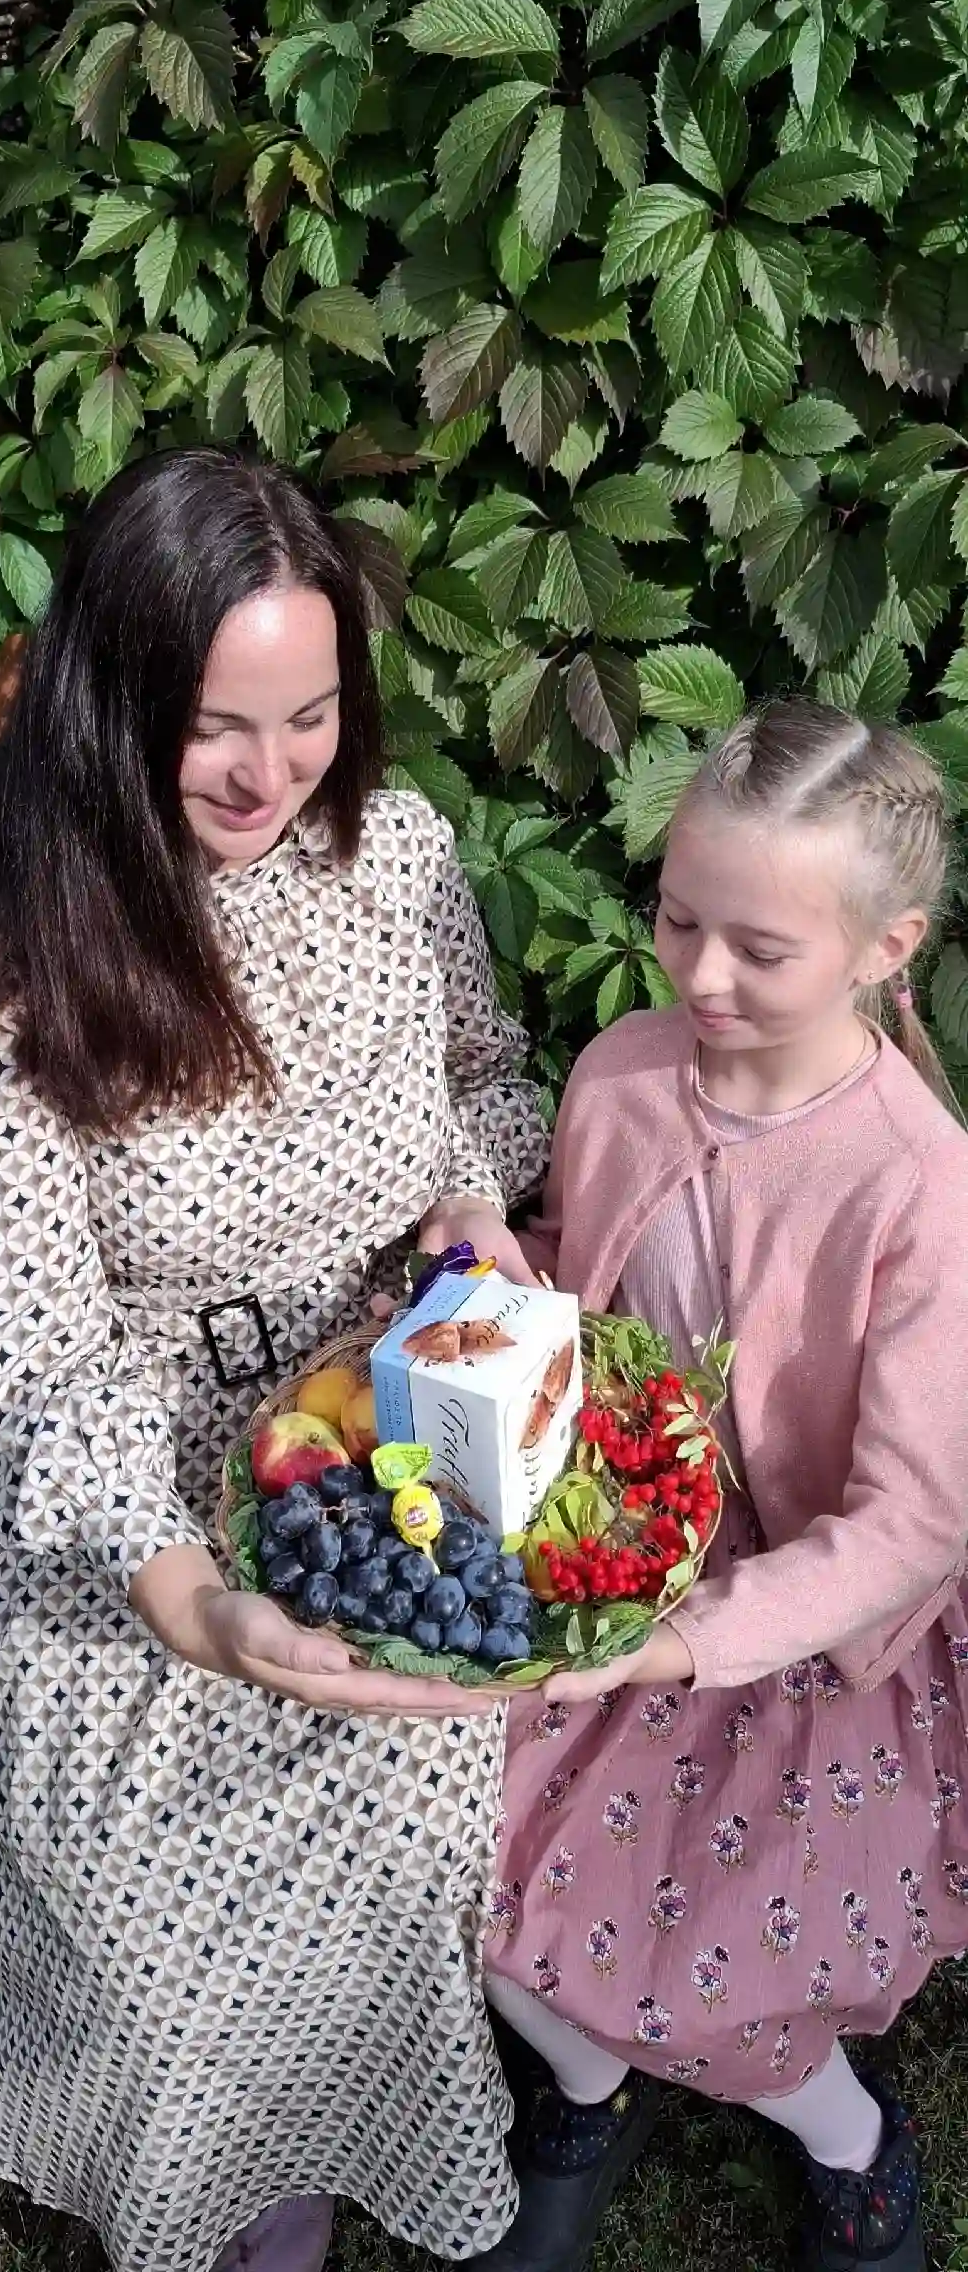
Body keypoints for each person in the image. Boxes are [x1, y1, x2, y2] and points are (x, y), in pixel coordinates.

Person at [0, 448, 548, 2272]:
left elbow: (484, 1082)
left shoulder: (395, 857)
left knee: (394, 1851)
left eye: (310, 716)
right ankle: (170, 2167)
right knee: (147, 1932)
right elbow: (31, 1355)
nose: (271, 774)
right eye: (213, 727)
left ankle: (310, 2147)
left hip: (377, 1433)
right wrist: (188, 1598)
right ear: (104, 703)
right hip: (110, 1495)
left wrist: (464, 1206)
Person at [482, 700, 968, 2272]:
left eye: (758, 950)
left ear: (886, 948)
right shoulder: (623, 1071)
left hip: (799, 1626)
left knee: (722, 1956)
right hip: (612, 1535)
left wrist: (683, 1640)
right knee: (433, 1854)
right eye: (678, 919)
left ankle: (847, 2136)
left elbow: (912, 1517)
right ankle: (587, 2083)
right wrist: (501, 1277)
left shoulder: (917, 1181)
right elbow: (581, 1267)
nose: (697, 977)